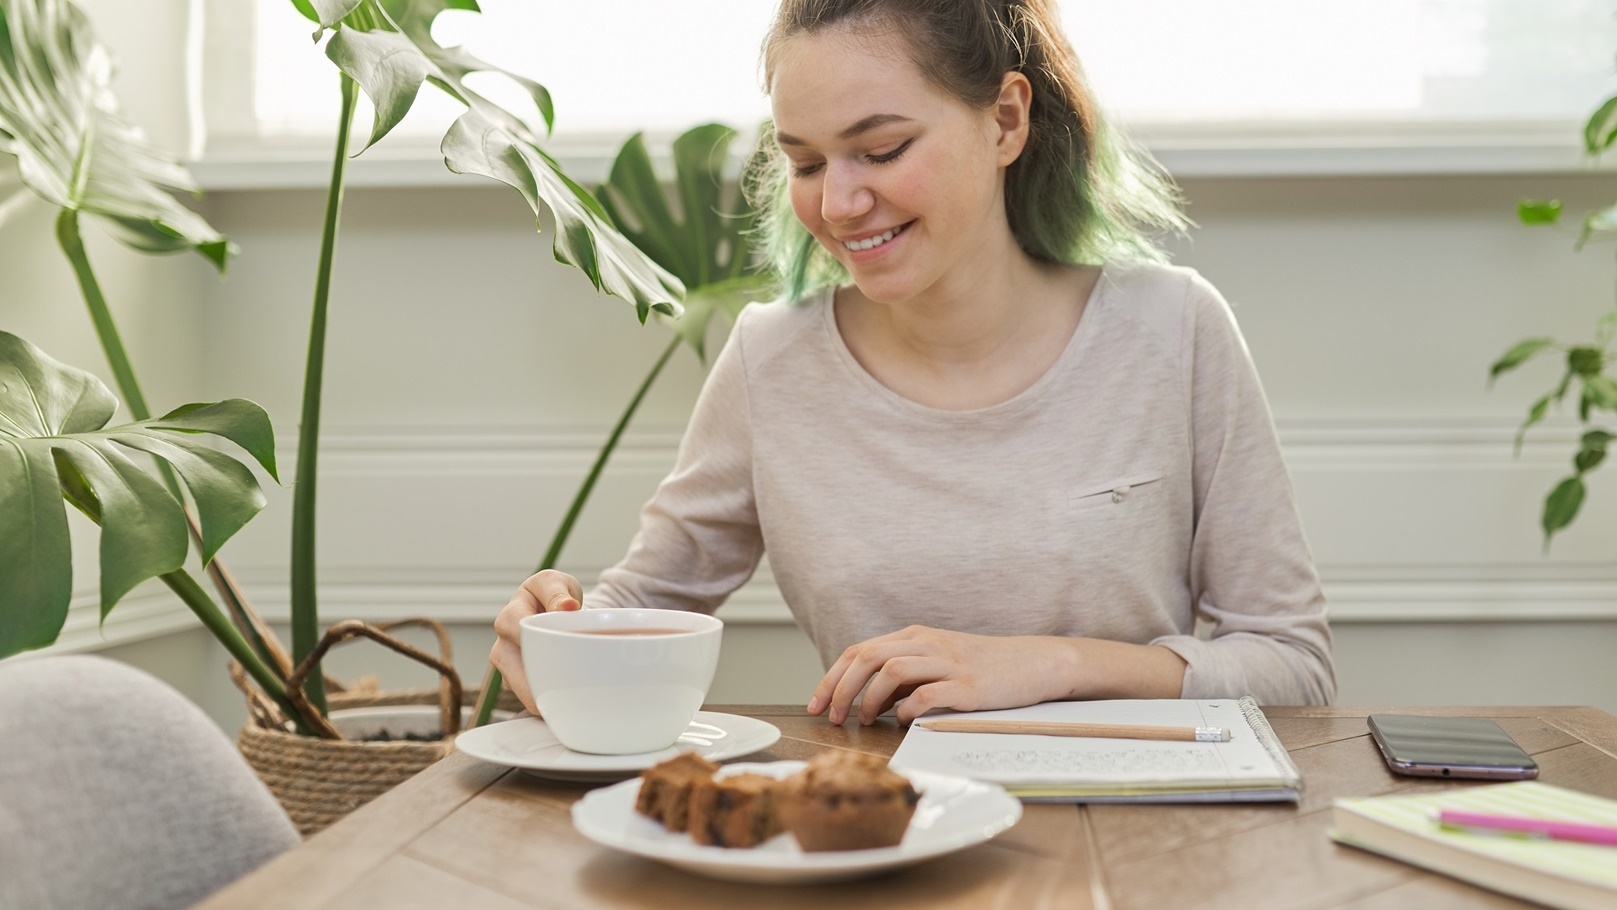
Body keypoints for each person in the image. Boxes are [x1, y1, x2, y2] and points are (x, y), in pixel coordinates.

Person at [492, 0, 1335, 727]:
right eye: (806, 162)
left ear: (1005, 120)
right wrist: (558, 632)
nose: (837, 203)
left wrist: (1052, 665)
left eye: (883, 149)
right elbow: (638, 611)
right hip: (873, 829)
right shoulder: (770, 358)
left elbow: (1293, 669)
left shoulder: (1174, 330)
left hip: (1126, 839)